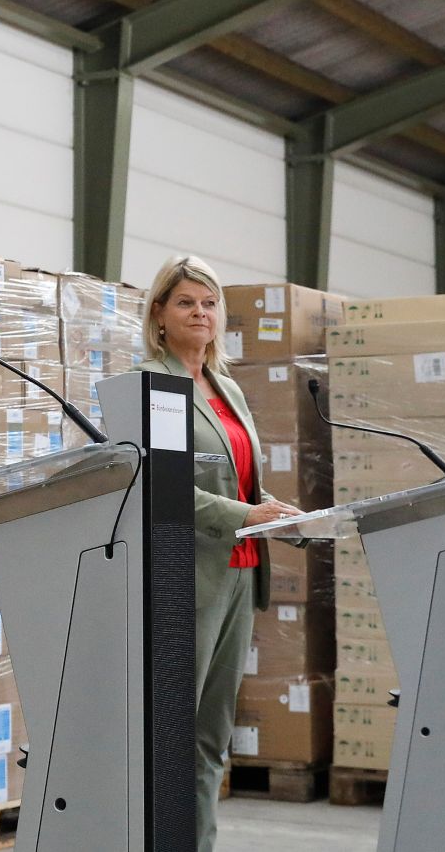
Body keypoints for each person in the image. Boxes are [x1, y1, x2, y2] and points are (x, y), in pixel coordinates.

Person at [137, 254, 304, 852]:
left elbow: (237, 479)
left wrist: (275, 513)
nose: (200, 314)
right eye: (186, 302)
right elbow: (161, 485)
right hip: (188, 578)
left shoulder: (226, 386)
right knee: (174, 733)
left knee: (212, 738)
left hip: (240, 574)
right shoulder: (152, 385)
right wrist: (243, 515)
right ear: (159, 315)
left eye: (209, 304)